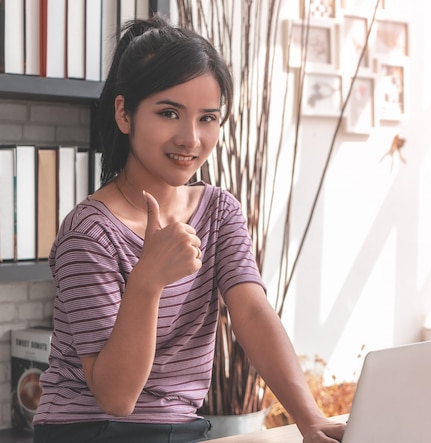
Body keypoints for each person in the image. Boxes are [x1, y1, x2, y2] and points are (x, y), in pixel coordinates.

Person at [32, 15, 346, 443]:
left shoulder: (219, 211)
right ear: (124, 113)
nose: (190, 139)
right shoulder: (88, 233)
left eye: (207, 118)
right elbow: (116, 398)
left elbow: (252, 313)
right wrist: (147, 279)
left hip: (180, 429)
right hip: (89, 429)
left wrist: (310, 419)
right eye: (169, 113)